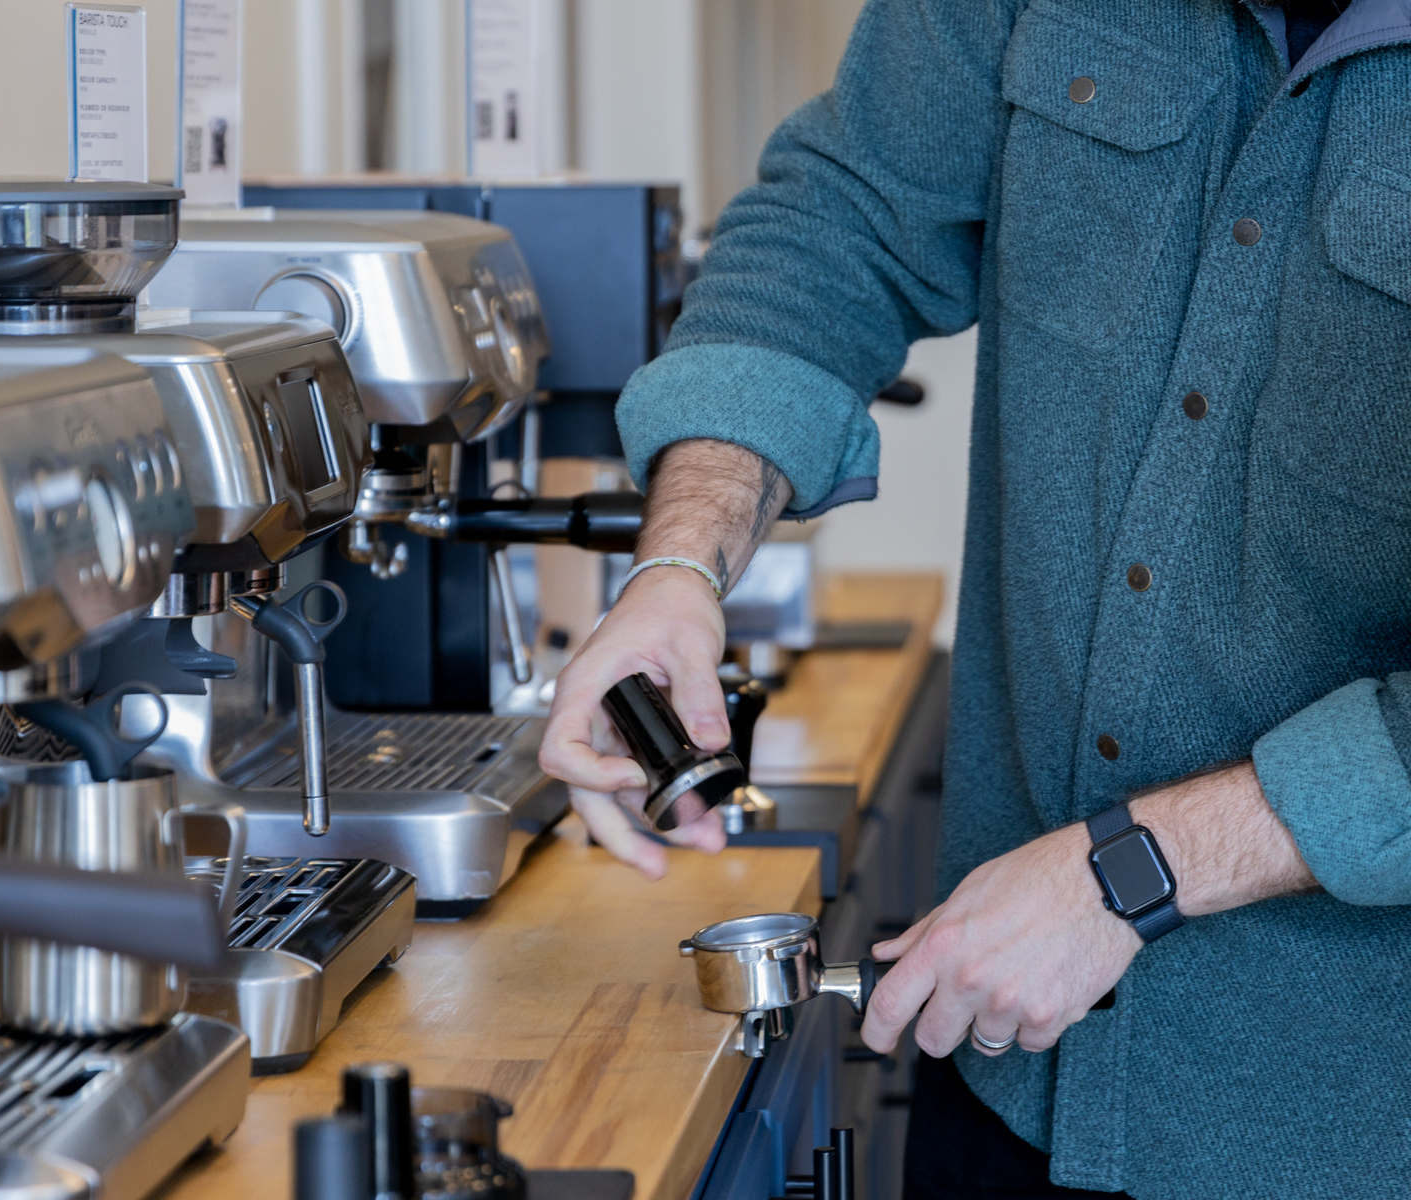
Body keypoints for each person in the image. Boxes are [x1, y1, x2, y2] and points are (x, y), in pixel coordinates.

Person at [536, 0, 1411, 1195]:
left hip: (1346, 1128)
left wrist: (1135, 870)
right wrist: (680, 565)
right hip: (1001, 1071)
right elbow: (836, 224)